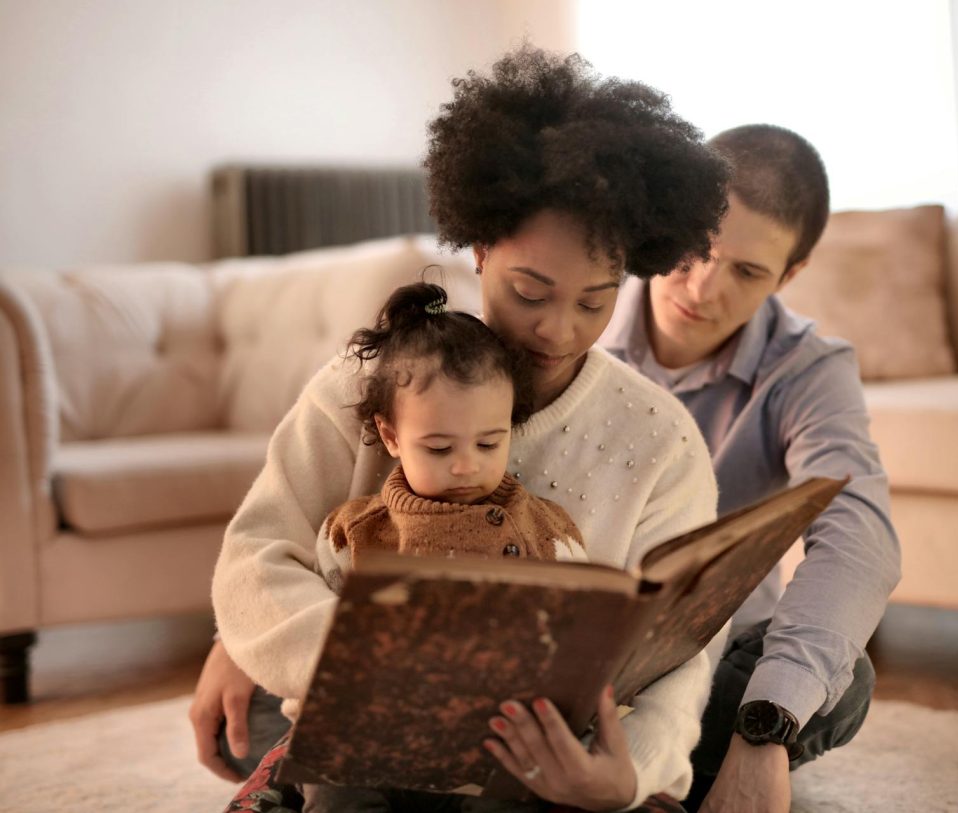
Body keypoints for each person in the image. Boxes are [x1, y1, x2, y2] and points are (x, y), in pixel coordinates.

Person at [199, 46, 732, 812]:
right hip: (363, 717)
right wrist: (361, 668)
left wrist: (634, 771)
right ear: (480, 250)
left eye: (595, 301)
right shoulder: (367, 384)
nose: (558, 329)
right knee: (243, 718)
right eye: (530, 290)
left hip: (551, 750)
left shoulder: (660, 437)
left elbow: (682, 646)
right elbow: (255, 556)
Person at [599, 124, 902, 813]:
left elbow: (862, 537)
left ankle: (686, 761)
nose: (702, 289)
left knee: (841, 676)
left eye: (747, 271)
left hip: (707, 666)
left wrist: (764, 728)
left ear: (789, 276)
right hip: (565, 659)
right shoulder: (575, 313)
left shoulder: (806, 367)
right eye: (698, 248)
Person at [302, 281, 588, 811]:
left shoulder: (546, 530)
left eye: (488, 443)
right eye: (438, 447)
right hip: (382, 733)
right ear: (390, 437)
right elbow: (322, 631)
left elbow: (581, 628)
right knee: (329, 772)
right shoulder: (355, 532)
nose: (465, 465)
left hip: (492, 739)